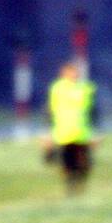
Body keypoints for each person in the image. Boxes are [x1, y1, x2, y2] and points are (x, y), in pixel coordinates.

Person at [47, 60, 97, 195]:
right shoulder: (57, 89)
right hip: (64, 134)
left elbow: (94, 111)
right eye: (70, 72)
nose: (73, 75)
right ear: (63, 73)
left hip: (82, 134)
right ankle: (70, 189)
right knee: (67, 165)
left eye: (75, 72)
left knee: (85, 165)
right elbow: (50, 111)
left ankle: (80, 186)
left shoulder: (87, 88)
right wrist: (48, 135)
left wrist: (97, 132)